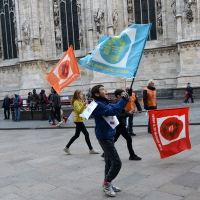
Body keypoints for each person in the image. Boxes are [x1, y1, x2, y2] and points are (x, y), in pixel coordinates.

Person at [91, 84, 131, 197]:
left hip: (108, 135)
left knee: (109, 162)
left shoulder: (103, 102)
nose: (106, 90)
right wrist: (123, 99)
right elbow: (114, 110)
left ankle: (108, 182)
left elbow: (116, 106)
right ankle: (106, 182)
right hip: (104, 136)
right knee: (117, 162)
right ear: (97, 94)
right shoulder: (98, 105)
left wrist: (126, 96)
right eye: (103, 89)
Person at [63, 90, 99, 155]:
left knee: (76, 135)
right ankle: (91, 149)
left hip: (81, 119)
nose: (82, 95)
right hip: (78, 120)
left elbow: (84, 109)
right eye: (81, 94)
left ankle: (66, 147)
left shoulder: (81, 101)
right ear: (77, 95)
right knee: (86, 134)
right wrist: (84, 105)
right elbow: (79, 111)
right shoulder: (76, 102)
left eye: (82, 94)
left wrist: (87, 104)